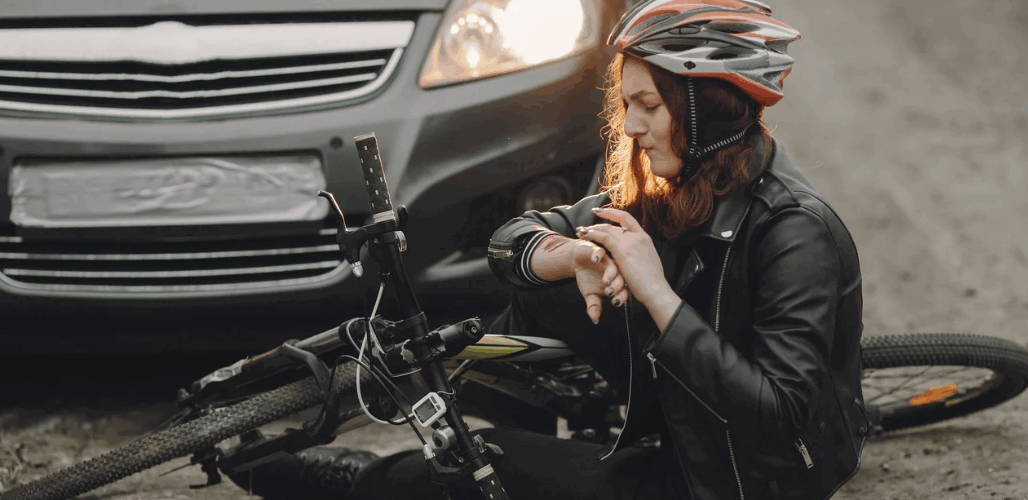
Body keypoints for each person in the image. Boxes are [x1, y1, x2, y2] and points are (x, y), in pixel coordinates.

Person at [225, 1, 870, 498]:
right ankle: (507, 435)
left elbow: (777, 418)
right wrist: (573, 258)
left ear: (708, 110)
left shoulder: (794, 232)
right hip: (680, 410)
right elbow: (511, 241)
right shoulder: (680, 185)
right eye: (628, 106)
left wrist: (656, 292)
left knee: (474, 467)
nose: (634, 126)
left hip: (726, 481)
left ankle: (362, 479)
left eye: (649, 106)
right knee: (553, 281)